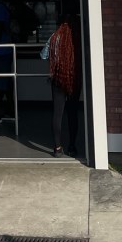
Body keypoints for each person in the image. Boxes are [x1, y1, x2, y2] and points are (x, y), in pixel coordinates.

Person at [45, 14, 82, 157]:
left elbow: (43, 54)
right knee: (73, 113)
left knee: (57, 114)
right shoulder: (77, 38)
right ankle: (72, 146)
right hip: (74, 78)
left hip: (58, 79)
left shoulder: (54, 37)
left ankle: (57, 148)